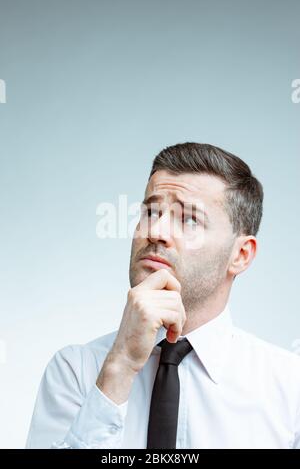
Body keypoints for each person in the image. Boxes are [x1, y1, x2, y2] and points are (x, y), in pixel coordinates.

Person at [26, 142, 300, 449]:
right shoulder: (76, 371)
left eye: (189, 219)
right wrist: (119, 368)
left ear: (240, 254)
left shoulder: (290, 389)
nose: (156, 231)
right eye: (151, 211)